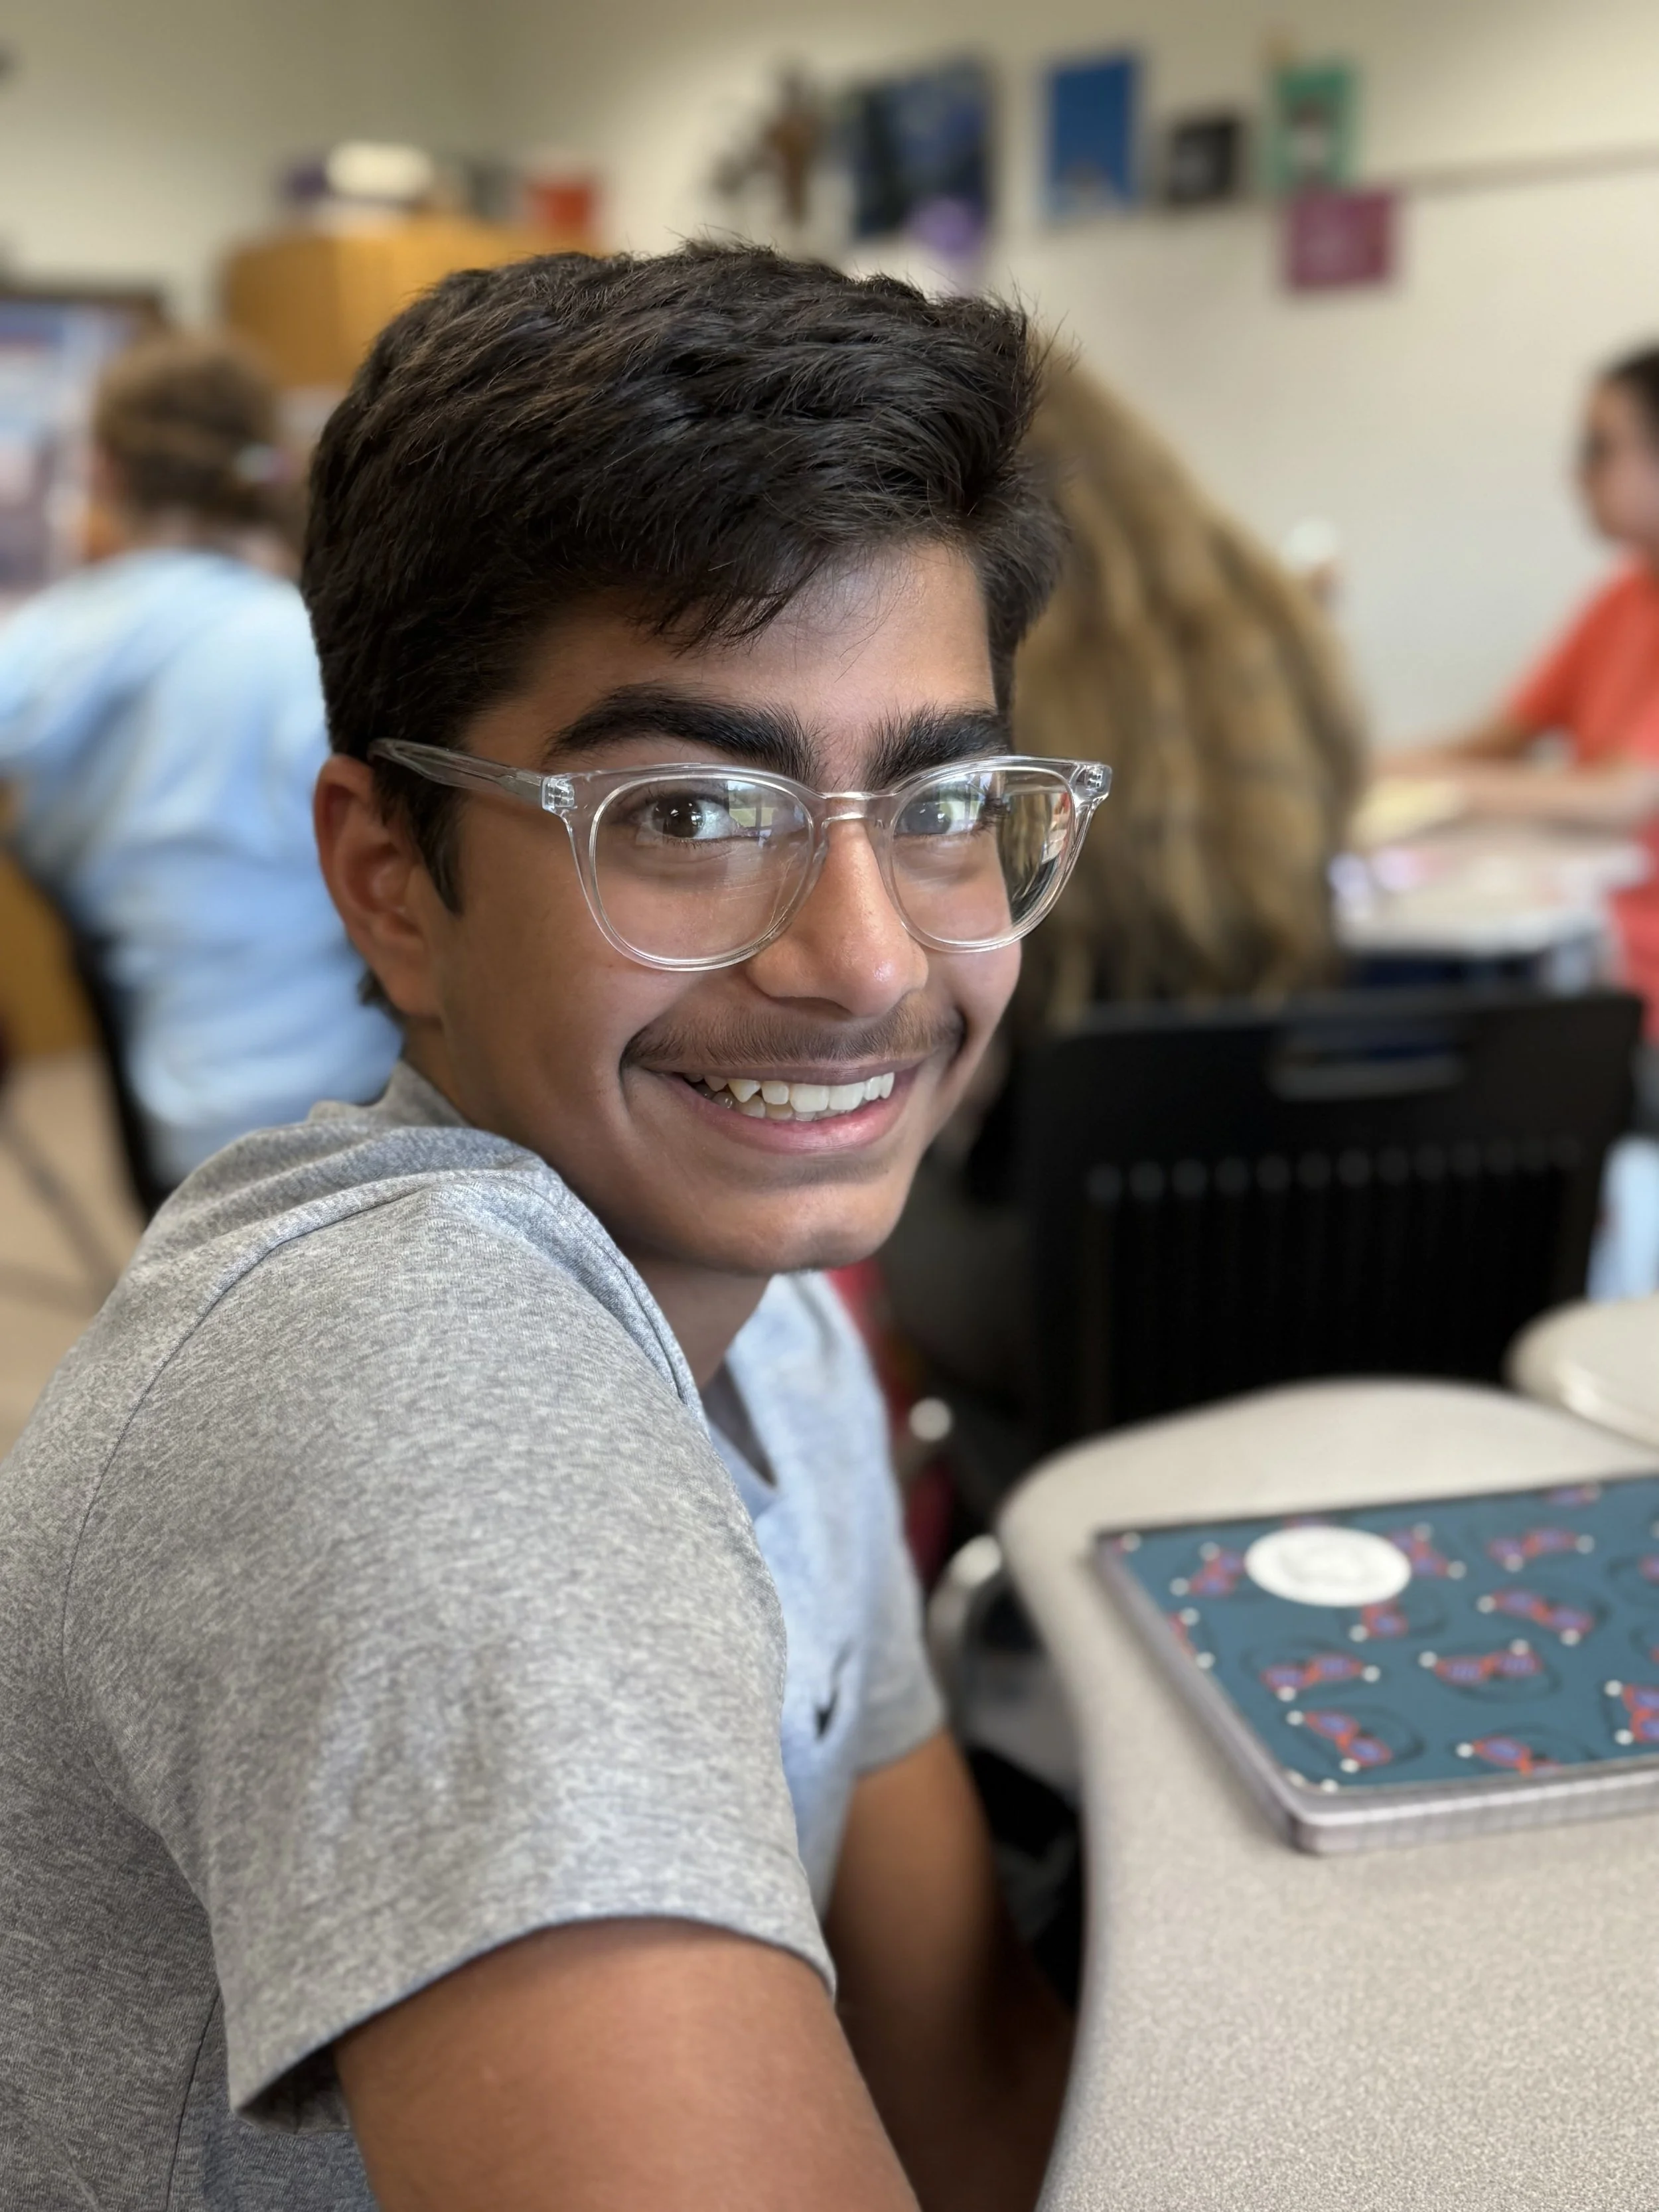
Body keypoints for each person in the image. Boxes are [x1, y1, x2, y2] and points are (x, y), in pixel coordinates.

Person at [0, 246, 1098, 2211]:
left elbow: (959, 2069)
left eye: (939, 804)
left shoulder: (773, 1319)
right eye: (684, 815)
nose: (861, 963)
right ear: (388, 879)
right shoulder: (411, 1379)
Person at [0, 331, 397, 1200]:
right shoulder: (301, 647)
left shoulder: (36, 644)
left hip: (173, 1119)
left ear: (104, 474)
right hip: (347, 1104)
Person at [1391, 346, 1659, 1079]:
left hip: (1632, 994)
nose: (1577, 474)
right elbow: (1495, 741)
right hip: (1581, 953)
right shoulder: (1618, 600)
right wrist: (1356, 764)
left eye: (1598, 449)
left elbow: (1620, 796)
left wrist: (1423, 791)